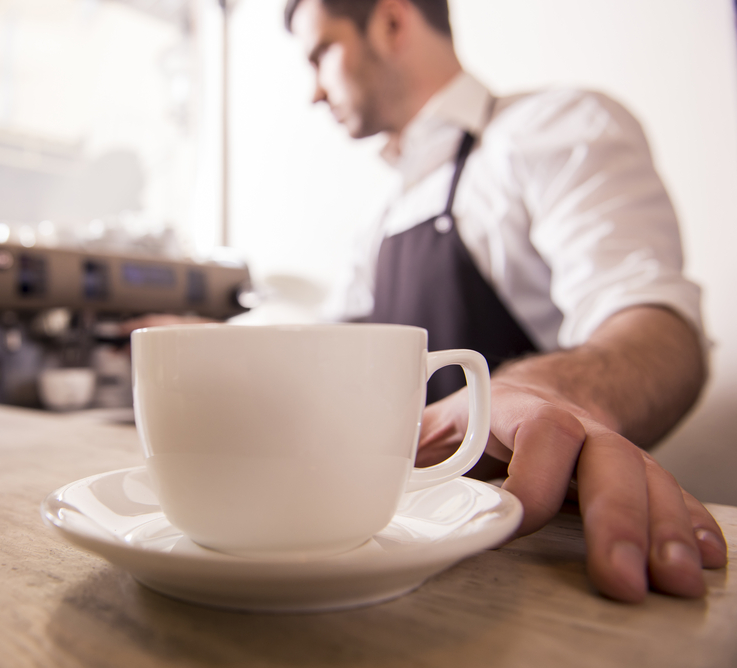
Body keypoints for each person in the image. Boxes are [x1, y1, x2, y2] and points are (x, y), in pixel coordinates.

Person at [281, 0, 727, 602]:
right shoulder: (381, 218)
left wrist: (551, 394)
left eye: (321, 53)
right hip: (390, 541)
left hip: (531, 553)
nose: (312, 91)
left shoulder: (552, 128)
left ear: (390, 22)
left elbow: (655, 325)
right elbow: (329, 344)